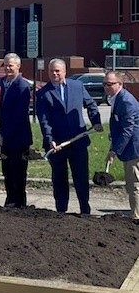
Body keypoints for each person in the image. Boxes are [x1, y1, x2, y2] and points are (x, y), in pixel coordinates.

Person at [36, 58, 103, 214]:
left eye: (57, 70)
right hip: (57, 145)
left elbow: (91, 104)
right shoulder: (43, 93)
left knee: (80, 177)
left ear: (65, 72)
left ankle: (85, 209)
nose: (54, 73)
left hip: (78, 141)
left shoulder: (77, 86)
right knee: (59, 179)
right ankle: (61, 211)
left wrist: (96, 121)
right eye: (51, 71)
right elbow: (44, 120)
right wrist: (49, 139)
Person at [0, 53, 32, 208]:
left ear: (18, 66)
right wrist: (0, 127)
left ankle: (19, 203)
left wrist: (4, 134)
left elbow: (19, 115)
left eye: (11, 65)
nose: (8, 68)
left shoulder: (22, 86)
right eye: (5, 65)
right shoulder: (4, 82)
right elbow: (5, 110)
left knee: (18, 172)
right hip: (7, 136)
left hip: (18, 137)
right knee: (7, 171)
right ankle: (10, 199)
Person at [104, 71, 139, 223]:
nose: (106, 87)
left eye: (110, 84)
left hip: (134, 148)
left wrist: (114, 151)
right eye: (104, 84)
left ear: (120, 84)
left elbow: (127, 130)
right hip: (128, 147)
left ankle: (136, 218)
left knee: (134, 185)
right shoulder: (116, 98)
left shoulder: (126, 101)